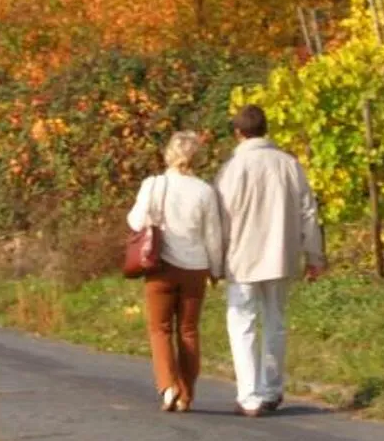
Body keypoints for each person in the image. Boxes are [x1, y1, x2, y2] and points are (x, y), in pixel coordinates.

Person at [213, 103, 324, 418]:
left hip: (241, 256)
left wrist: (214, 261)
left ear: (238, 133)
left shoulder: (232, 169)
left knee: (242, 324)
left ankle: (248, 395)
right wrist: (314, 255)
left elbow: (220, 219)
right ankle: (271, 389)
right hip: (280, 253)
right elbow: (308, 212)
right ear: (266, 129)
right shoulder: (289, 164)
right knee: (275, 322)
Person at [126, 130, 229, 412]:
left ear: (169, 154)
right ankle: (186, 393)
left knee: (159, 329)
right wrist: (216, 270)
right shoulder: (205, 191)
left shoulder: (154, 184)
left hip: (161, 267)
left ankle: (168, 386)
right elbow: (213, 236)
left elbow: (136, 221)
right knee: (189, 330)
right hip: (195, 268)